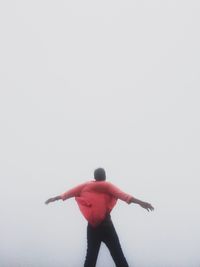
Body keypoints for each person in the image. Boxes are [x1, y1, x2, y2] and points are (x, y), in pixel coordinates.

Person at [45, 168, 154, 267]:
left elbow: (67, 194)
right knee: (118, 257)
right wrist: (141, 203)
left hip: (93, 227)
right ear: (104, 176)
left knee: (90, 259)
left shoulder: (85, 186)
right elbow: (123, 195)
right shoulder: (107, 185)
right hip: (107, 226)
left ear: (95, 177)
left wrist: (54, 198)